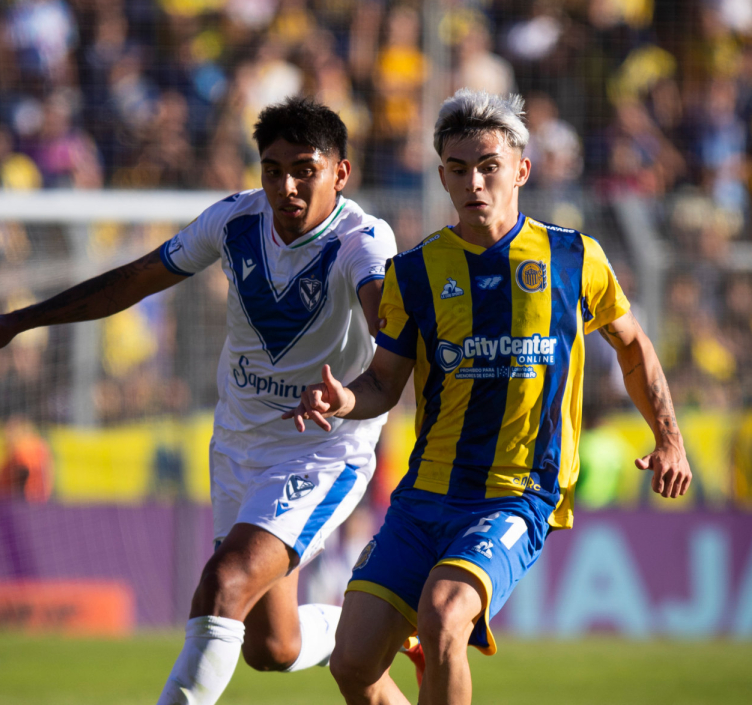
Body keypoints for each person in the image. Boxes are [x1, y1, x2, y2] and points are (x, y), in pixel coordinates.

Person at [0, 97, 397, 705]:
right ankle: (378, 630)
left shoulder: (364, 241)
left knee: (223, 584)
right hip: (239, 445)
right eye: (273, 171)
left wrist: (348, 394)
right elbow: (133, 281)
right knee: (271, 647)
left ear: (340, 173)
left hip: (320, 451)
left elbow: (391, 333)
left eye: (306, 170)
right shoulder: (233, 222)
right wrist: (19, 320)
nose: (287, 187)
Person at [285, 89, 693, 705]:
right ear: (442, 176)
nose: (473, 182)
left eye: (488, 166)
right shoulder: (414, 272)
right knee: (353, 662)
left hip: (515, 495)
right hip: (424, 495)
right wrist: (343, 399)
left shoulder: (573, 258)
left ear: (521, 170)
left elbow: (632, 346)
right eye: (458, 169)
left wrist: (669, 438)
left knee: (445, 614)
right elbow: (383, 383)